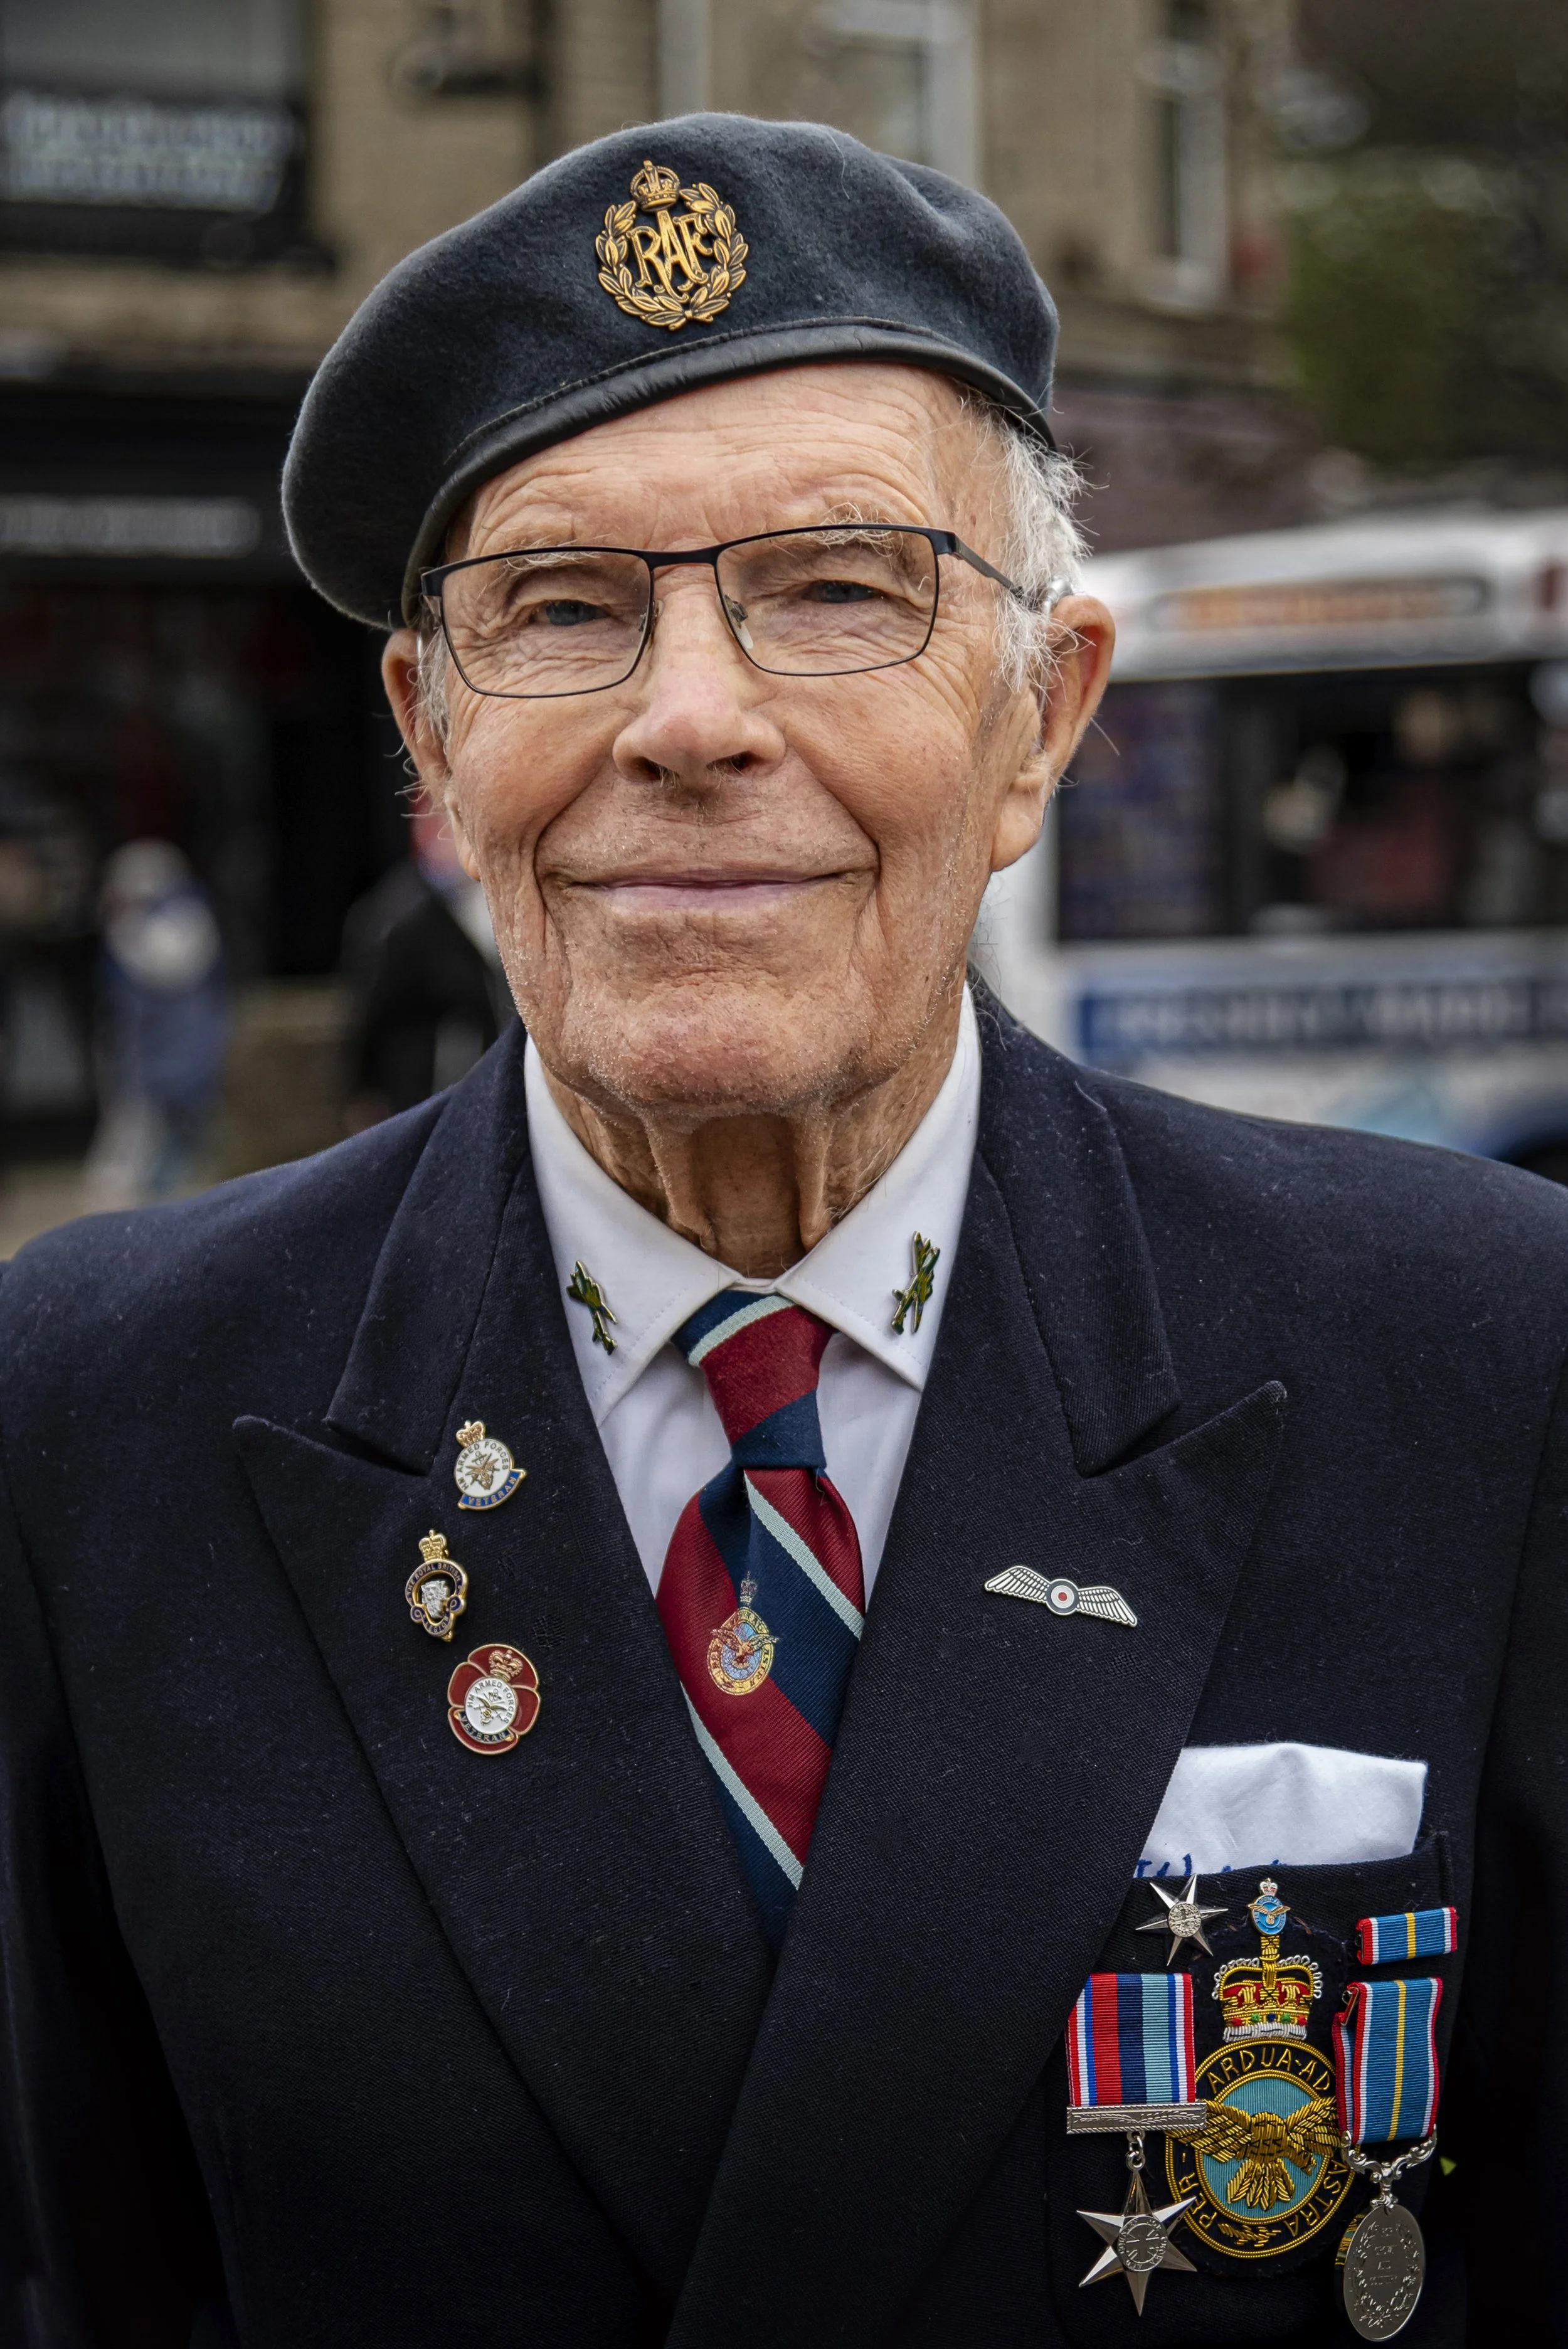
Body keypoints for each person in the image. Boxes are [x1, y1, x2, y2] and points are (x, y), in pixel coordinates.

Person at [0, 115, 1562, 2349]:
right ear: (432, 746)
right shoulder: (92, 1415)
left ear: (1041, 722)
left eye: (840, 586)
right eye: (562, 608)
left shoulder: (1479, 1363)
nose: (693, 719)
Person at [343, 796, 516, 1127]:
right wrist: (365, 1091)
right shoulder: (401, 915)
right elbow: (371, 1015)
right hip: (426, 1094)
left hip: (483, 1089)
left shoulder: (486, 905)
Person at [80, 839, 230, 1206]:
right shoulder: (188, 926)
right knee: (160, 1159)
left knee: (164, 1161)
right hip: (167, 1076)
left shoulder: (134, 937)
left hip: (168, 1076)